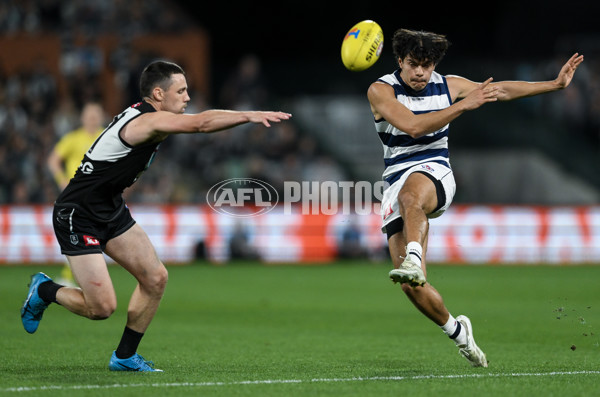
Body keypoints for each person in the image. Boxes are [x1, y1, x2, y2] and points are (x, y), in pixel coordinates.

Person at [21, 60, 291, 372]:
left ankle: (124, 357)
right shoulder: (146, 122)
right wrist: (248, 115)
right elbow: (201, 124)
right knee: (102, 308)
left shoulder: (148, 116)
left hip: (109, 207)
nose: (188, 97)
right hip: (77, 213)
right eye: (182, 91)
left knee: (155, 278)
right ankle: (44, 290)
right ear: (159, 94)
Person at [367, 28, 583, 367]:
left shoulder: (449, 84)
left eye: (427, 65)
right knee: (411, 286)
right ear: (400, 61)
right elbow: (412, 127)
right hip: (394, 179)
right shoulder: (380, 90)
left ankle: (413, 254)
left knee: (413, 196)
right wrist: (465, 105)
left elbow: (499, 90)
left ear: (434, 64)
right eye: (413, 65)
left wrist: (553, 85)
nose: (420, 73)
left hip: (435, 170)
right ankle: (457, 331)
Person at [47, 102, 105, 287]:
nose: (92, 119)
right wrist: (62, 180)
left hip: (100, 196)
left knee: (91, 236)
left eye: (95, 116)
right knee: (79, 235)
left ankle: (77, 277)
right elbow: (53, 160)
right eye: (89, 116)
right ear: (82, 118)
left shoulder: (106, 136)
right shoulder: (73, 138)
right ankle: (71, 277)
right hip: (76, 197)